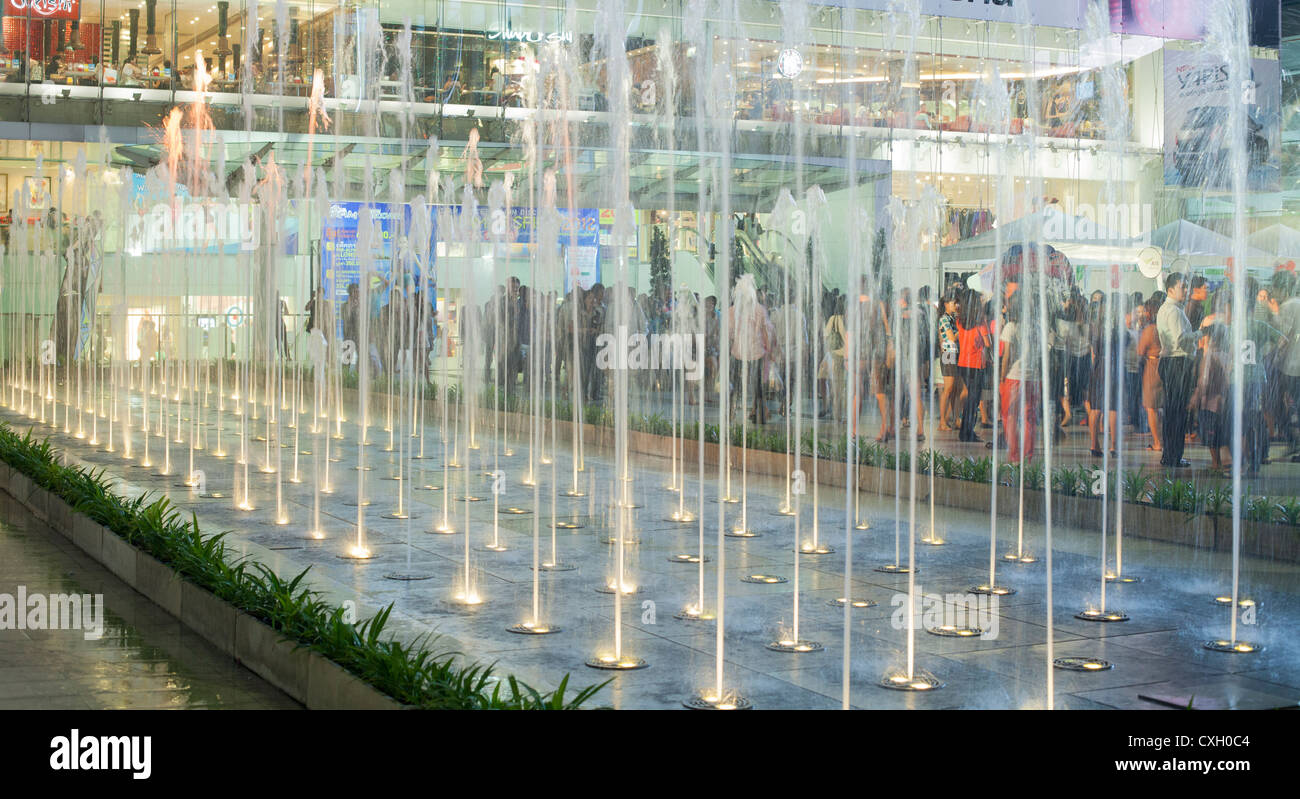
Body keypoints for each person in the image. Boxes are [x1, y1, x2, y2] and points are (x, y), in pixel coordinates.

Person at [1157, 273, 1201, 467]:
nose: (1186, 290)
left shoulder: (1168, 309)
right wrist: (1200, 333)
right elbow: (1181, 339)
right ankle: (1173, 456)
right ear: (1171, 289)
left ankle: (1170, 454)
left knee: (1172, 412)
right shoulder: (1173, 311)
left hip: (1171, 363)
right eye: (1182, 286)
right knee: (1177, 413)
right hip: (1177, 363)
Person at [1190, 324, 1231, 472]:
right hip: (1225, 400)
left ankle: (1216, 463)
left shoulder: (1209, 356)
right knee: (1223, 431)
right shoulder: (1228, 355)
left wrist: (1197, 396)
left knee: (1211, 432)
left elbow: (1204, 380)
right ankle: (1228, 462)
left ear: (1212, 338)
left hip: (1211, 401)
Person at [956, 288, 991, 443]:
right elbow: (988, 342)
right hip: (977, 364)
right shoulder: (980, 320)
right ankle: (967, 432)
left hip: (963, 363)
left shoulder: (960, 320)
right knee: (974, 399)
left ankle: (966, 431)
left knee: (971, 398)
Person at [1137, 294, 1164, 453]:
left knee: (1151, 407)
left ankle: (1156, 442)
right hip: (1164, 366)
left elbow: (1140, 350)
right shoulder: (1164, 326)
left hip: (1152, 366)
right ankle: (1161, 438)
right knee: (1160, 407)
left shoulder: (1150, 329)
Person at [936, 293, 962, 431]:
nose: (955, 305)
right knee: (948, 388)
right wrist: (962, 330)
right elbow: (951, 338)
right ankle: (942, 421)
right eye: (953, 302)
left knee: (956, 389)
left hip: (954, 353)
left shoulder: (953, 318)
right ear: (946, 304)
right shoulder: (944, 319)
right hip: (948, 353)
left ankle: (954, 418)